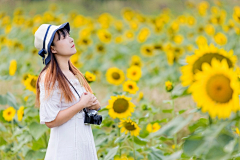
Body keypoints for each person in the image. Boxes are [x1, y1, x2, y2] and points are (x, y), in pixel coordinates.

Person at [34, 22, 100, 160]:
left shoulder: (73, 73)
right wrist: (81, 104)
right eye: (63, 38)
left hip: (83, 147)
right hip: (66, 151)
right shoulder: (49, 78)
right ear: (52, 48)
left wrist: (94, 105)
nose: (71, 39)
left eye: (69, 35)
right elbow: (50, 121)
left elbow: (79, 110)